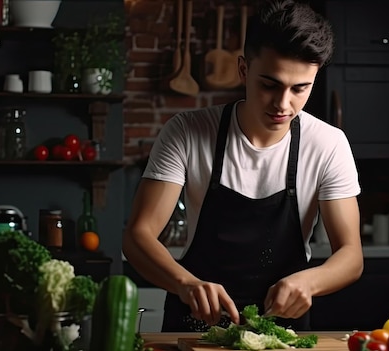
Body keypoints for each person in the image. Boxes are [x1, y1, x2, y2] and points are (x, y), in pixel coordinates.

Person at [123, 0, 363, 332]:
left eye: (300, 88)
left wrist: (311, 282)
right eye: (269, 84)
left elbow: (351, 255)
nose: (283, 104)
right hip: (194, 323)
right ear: (243, 69)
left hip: (282, 330)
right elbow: (138, 236)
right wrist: (184, 283)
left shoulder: (328, 144)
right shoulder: (187, 132)